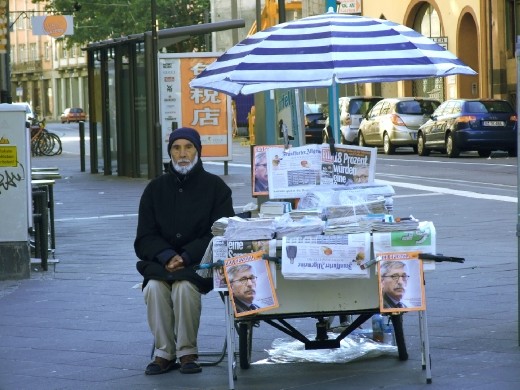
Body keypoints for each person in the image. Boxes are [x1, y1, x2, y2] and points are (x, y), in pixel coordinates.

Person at [134, 127, 235, 376]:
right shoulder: (154, 189)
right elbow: (144, 237)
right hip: (161, 263)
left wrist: (187, 255)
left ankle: (187, 351)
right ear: (170, 153)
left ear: (197, 151)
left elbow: (220, 231)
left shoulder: (215, 187)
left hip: (199, 263)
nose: (182, 154)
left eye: (188, 147)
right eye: (176, 148)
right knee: (155, 288)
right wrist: (167, 255)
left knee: (184, 289)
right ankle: (164, 353)